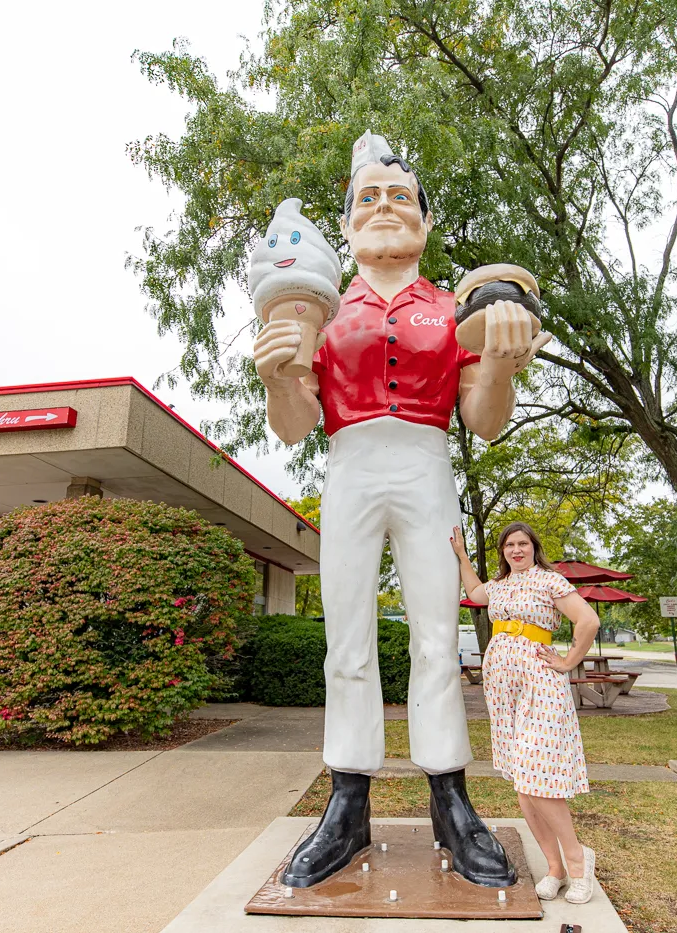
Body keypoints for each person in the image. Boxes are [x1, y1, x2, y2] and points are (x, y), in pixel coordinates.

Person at [252, 130, 550, 888]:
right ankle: (347, 800)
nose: (385, 208)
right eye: (368, 198)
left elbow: (483, 418)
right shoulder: (317, 307)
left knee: (435, 634)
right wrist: (277, 375)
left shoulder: (456, 308)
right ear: (348, 221)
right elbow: (294, 423)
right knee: (345, 635)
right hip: (349, 463)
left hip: (424, 461)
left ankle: (449, 794)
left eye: (400, 197)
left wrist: (503, 364)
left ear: (423, 219)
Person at [450, 521, 602, 904]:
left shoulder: (550, 581)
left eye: (523, 544)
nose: (516, 550)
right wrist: (463, 557)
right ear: (502, 552)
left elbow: (588, 621)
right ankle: (555, 867)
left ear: (534, 547)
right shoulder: (499, 587)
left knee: (539, 774)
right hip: (503, 689)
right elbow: (473, 590)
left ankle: (578, 861)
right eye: (509, 545)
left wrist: (569, 661)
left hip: (540, 684)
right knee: (522, 781)